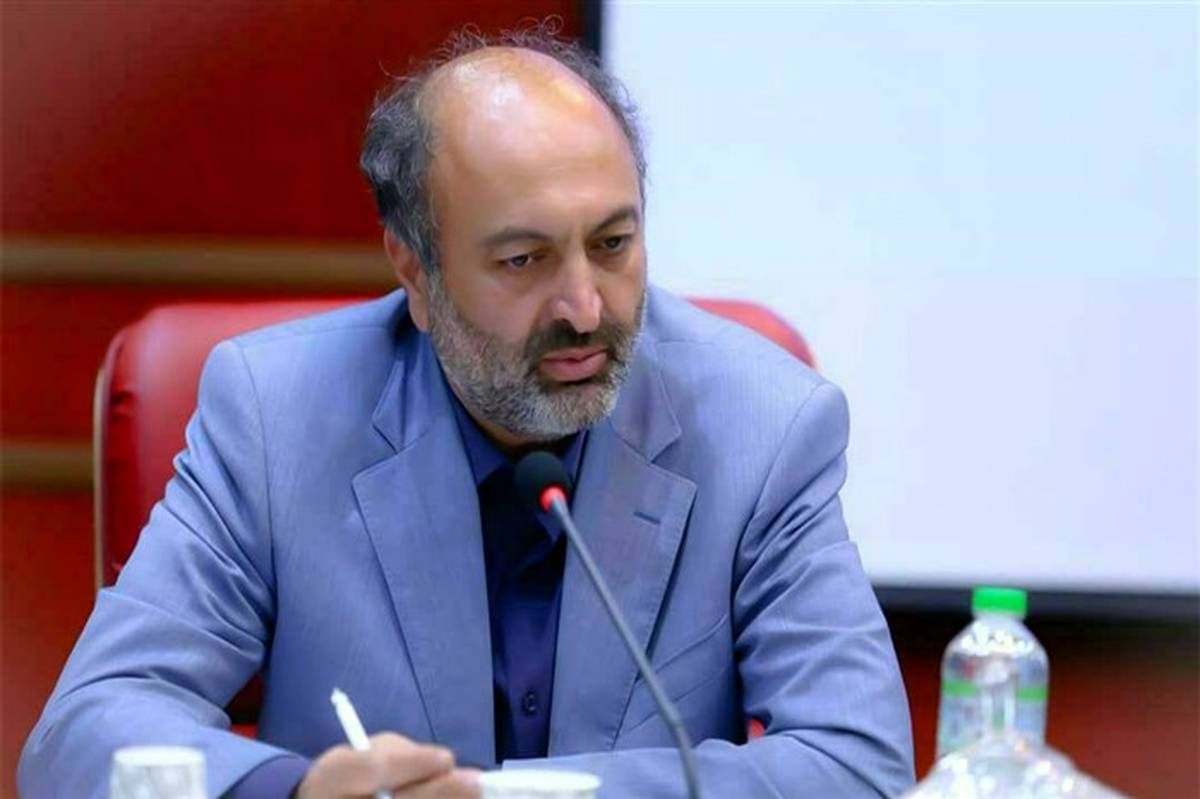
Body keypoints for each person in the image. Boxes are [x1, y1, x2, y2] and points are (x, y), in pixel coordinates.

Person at [19, 25, 914, 799]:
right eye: (524, 260)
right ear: (415, 270)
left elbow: (858, 764)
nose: (585, 307)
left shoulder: (765, 425)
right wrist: (295, 790)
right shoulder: (274, 416)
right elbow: (86, 732)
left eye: (612, 243)